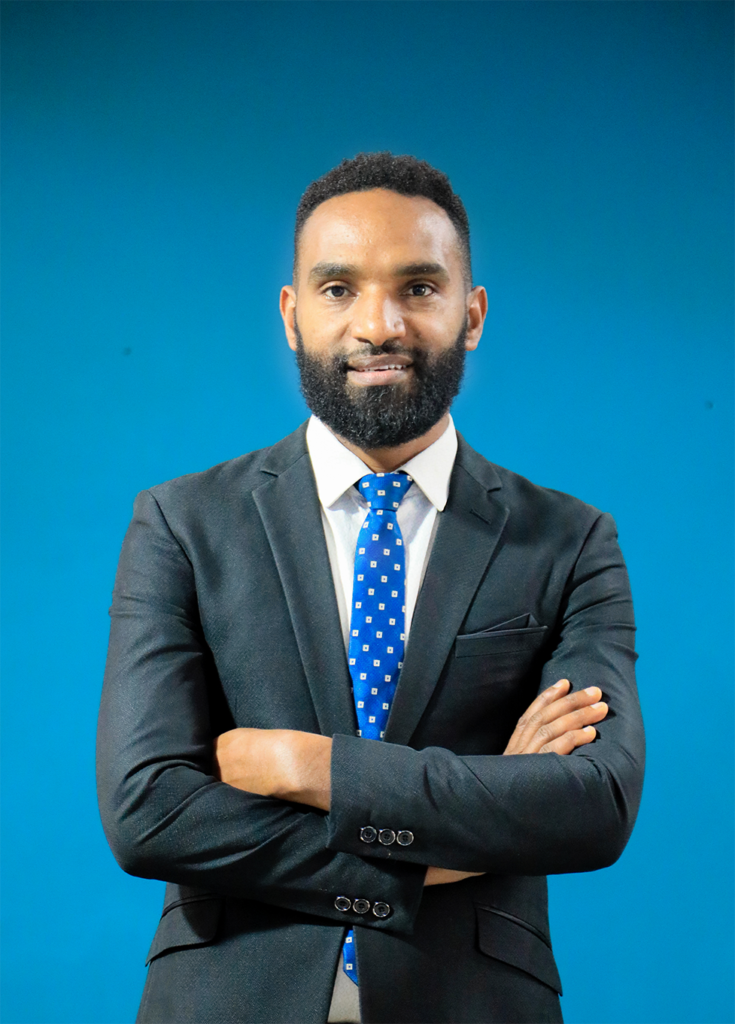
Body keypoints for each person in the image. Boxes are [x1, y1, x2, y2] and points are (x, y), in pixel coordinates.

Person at [97, 152, 645, 1024]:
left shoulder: (569, 541)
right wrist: (456, 841)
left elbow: (592, 805)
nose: (378, 324)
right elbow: (148, 812)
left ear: (471, 315)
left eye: (417, 287)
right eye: (338, 288)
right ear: (291, 315)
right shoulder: (181, 523)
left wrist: (307, 766)